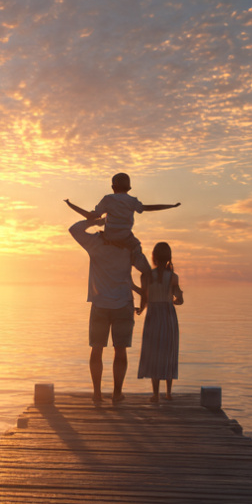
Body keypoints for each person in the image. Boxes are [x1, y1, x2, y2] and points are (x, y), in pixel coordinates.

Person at [69, 214, 152, 406]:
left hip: (100, 304)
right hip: (123, 303)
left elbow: (74, 229)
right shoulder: (130, 244)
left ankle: (97, 394)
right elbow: (146, 270)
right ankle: (116, 393)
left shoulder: (95, 242)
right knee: (120, 350)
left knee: (97, 349)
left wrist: (95, 221)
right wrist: (144, 299)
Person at [64, 172, 180, 256]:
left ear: (113, 187)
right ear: (129, 187)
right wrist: (171, 206)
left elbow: (90, 216)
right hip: (127, 239)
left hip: (109, 238)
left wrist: (71, 205)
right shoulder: (132, 201)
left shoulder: (108, 199)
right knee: (141, 259)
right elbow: (149, 208)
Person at [135, 241, 183, 401]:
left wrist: (140, 309)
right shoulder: (173, 277)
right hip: (168, 315)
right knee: (169, 352)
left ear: (154, 257)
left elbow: (144, 298)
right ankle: (168, 393)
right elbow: (179, 299)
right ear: (169, 257)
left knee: (153, 352)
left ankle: (155, 394)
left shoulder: (147, 276)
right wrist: (175, 299)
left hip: (153, 315)